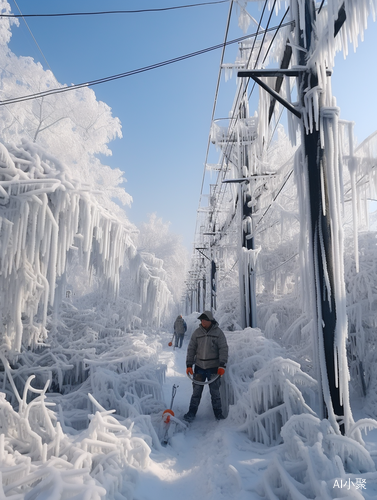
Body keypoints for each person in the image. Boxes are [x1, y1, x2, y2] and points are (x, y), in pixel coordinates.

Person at [184, 310, 228, 422]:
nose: (202, 322)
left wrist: (222, 365)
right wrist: (189, 364)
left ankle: (218, 415)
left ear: (210, 320)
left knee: (215, 393)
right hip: (199, 367)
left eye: (204, 320)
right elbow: (191, 348)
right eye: (201, 320)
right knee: (196, 393)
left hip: (213, 368)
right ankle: (191, 413)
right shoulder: (197, 333)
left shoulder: (218, 333)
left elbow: (223, 349)